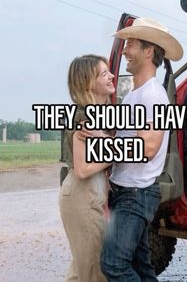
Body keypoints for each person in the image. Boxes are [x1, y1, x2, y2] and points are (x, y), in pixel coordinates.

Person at [100, 18, 183, 281]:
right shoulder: (134, 95)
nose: (124, 51)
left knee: (113, 264)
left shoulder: (152, 95)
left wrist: (100, 151)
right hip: (126, 189)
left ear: (149, 51)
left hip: (136, 194)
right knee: (142, 269)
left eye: (131, 45)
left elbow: (148, 147)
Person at [59, 54, 115, 282]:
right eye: (104, 74)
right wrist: (119, 155)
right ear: (88, 83)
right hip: (81, 194)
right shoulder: (83, 118)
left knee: (82, 269)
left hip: (91, 194)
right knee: (92, 270)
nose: (112, 76)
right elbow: (82, 169)